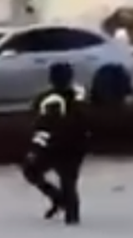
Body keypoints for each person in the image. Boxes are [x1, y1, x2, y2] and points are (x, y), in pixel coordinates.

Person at [22, 62, 90, 225]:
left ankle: (60, 201)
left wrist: (36, 147)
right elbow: (87, 120)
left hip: (56, 146)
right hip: (75, 146)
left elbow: (42, 125)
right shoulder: (78, 96)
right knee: (68, 182)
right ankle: (71, 215)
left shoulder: (48, 99)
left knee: (32, 171)